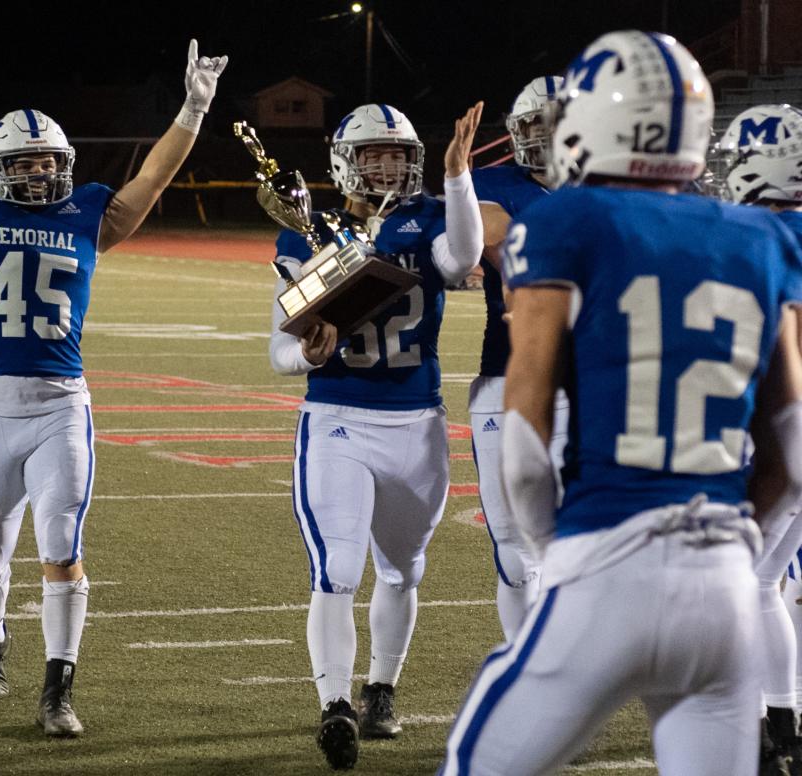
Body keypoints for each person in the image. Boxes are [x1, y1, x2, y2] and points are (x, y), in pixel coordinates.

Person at [440, 31, 802, 776]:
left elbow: (527, 443)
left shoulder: (566, 221)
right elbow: (793, 452)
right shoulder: (762, 236)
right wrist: (733, 542)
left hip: (608, 565)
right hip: (726, 596)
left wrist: (558, 554)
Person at [0, 10, 226, 737]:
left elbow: (153, 178)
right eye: (27, 163)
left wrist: (192, 111)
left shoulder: (86, 215)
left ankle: (58, 689)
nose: (40, 172)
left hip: (62, 405)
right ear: (2, 167)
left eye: (48, 162)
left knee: (62, 548)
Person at [269, 101, 483, 769]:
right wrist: (305, 354)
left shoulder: (427, 222)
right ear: (345, 163)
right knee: (336, 569)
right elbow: (277, 348)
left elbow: (467, 257)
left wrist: (457, 176)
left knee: (403, 568)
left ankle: (381, 689)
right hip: (337, 419)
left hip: (416, 423)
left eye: (400, 154)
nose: (391, 165)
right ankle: (335, 704)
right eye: (376, 155)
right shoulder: (307, 235)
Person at [468, 76, 569, 641]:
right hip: (506, 372)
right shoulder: (492, 183)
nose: (546, 134)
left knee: (575, 536)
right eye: (535, 122)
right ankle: (527, 663)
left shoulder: (604, 187)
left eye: (556, 121)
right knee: (511, 542)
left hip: (586, 380)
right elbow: (504, 253)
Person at [719, 103, 802, 772]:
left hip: (784, 431)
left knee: (732, 584)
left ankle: (747, 728)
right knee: (766, 579)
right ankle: (783, 720)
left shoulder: (767, 240)